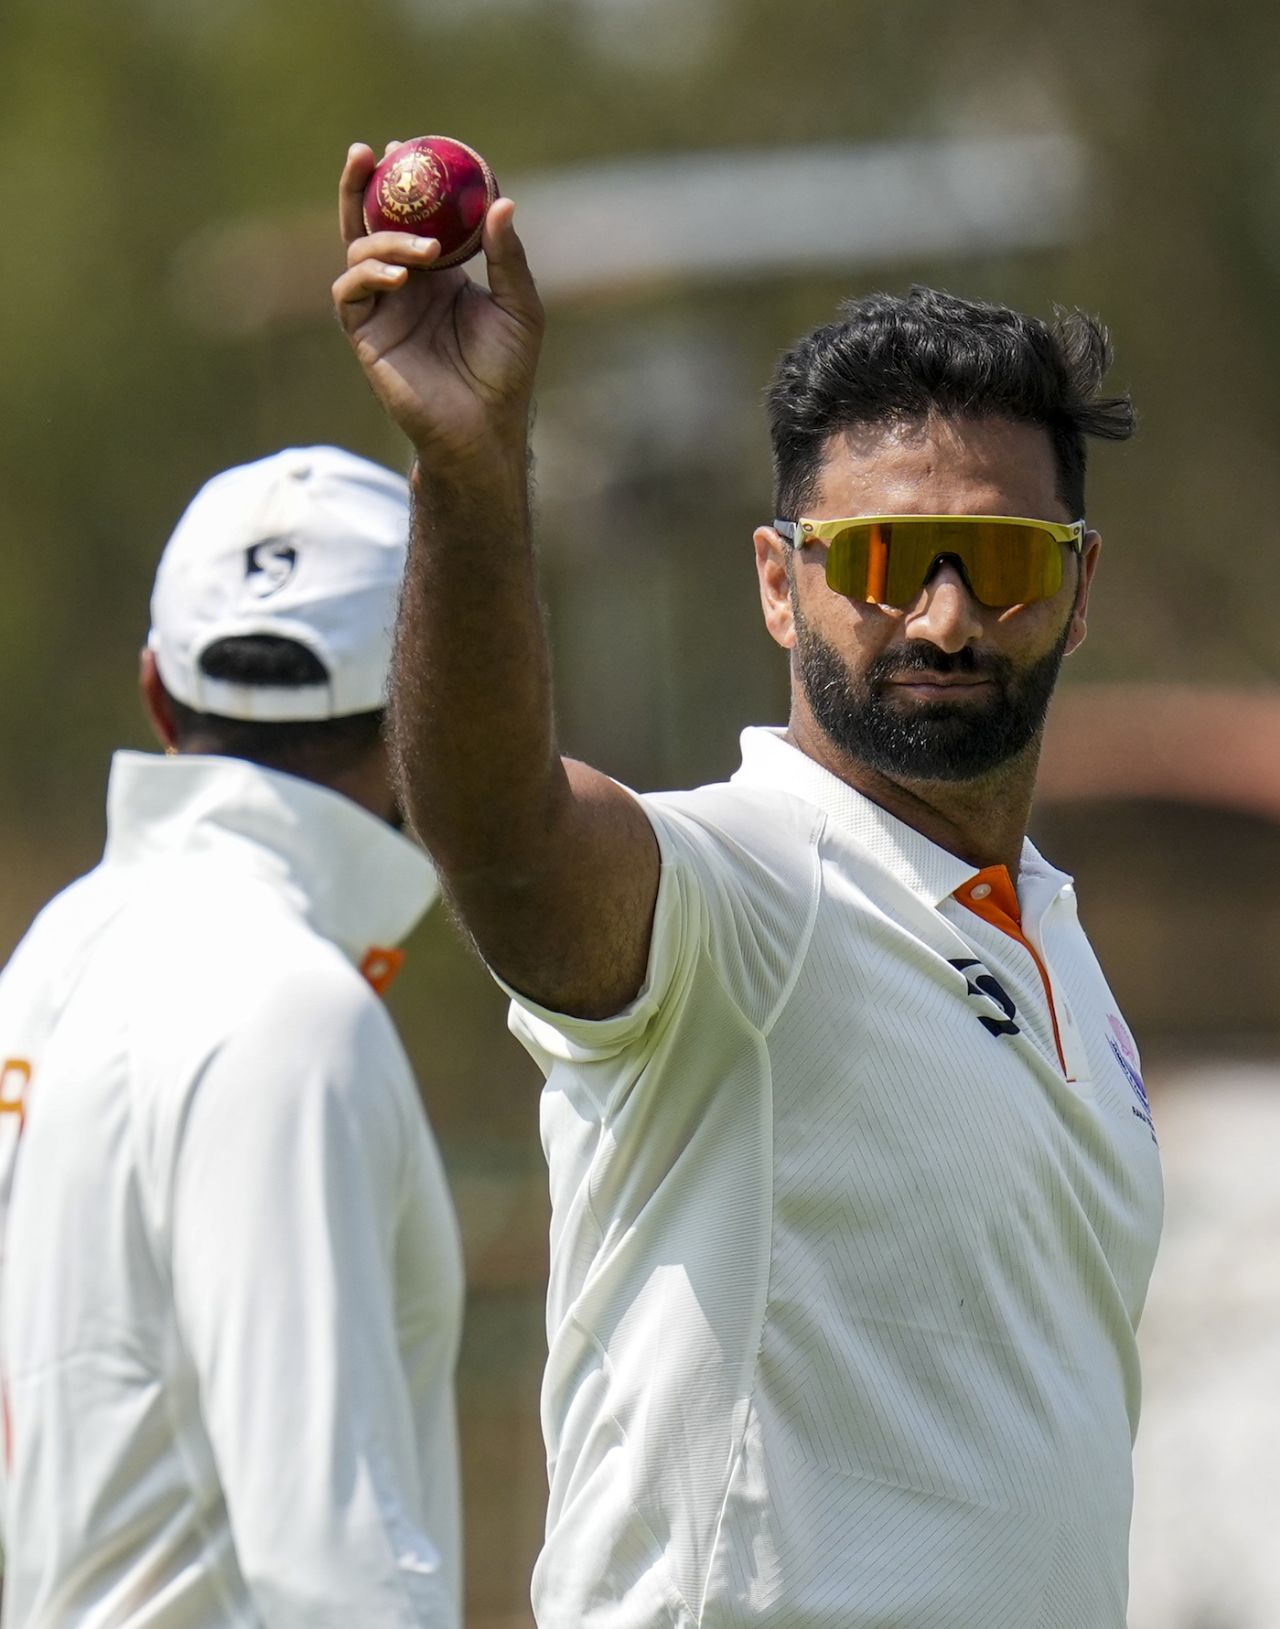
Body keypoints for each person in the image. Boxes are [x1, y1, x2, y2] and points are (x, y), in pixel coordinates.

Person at [332, 144, 1163, 1629]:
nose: (947, 615)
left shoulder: (1052, 935)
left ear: (1080, 589)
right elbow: (510, 839)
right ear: (781, 582)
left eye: (1001, 560)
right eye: (887, 560)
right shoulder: (755, 889)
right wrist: (469, 473)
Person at [0, 446, 463, 1628]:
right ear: (429, 704)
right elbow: (331, 1567)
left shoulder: (52, 954)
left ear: (157, 690)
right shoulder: (292, 1011)